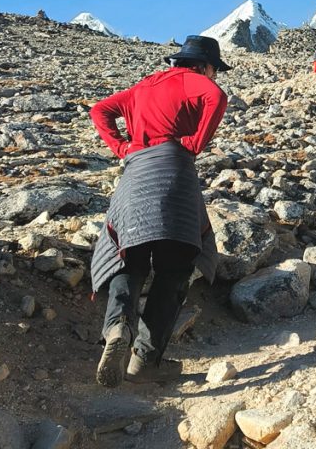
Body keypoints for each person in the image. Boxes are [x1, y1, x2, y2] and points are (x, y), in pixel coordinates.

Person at [88, 35, 229, 387]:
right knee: (174, 269)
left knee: (129, 259)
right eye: (214, 69)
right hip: (174, 176)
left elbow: (99, 110)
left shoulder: (143, 86)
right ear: (204, 65)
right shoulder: (197, 82)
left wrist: (121, 147)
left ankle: (118, 326)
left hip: (135, 176)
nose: (214, 76)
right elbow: (217, 98)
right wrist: (194, 143)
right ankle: (145, 362)